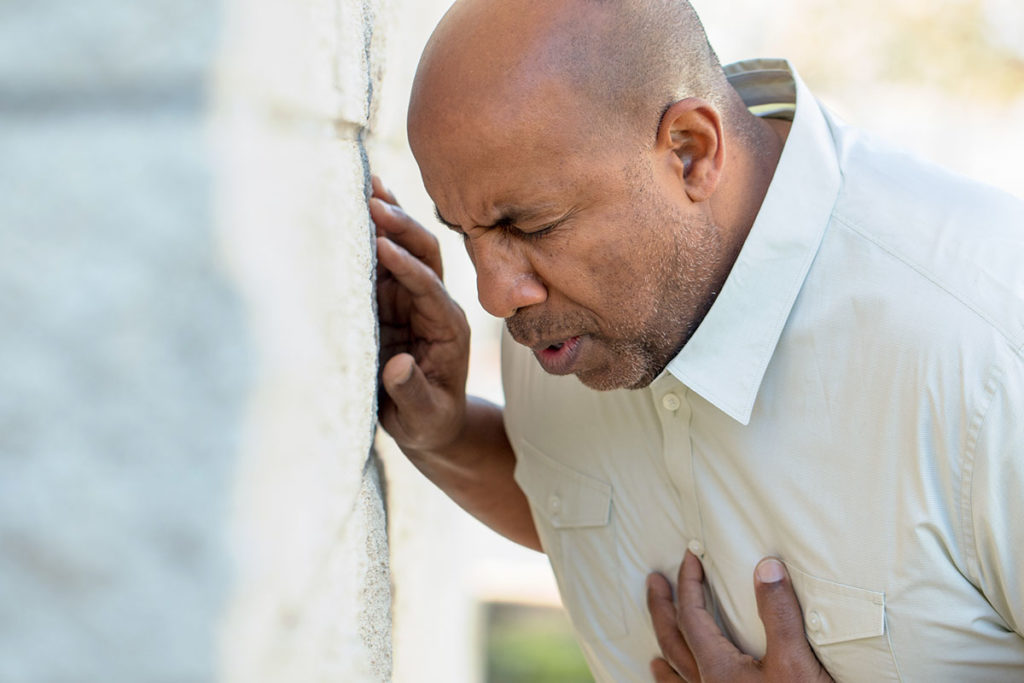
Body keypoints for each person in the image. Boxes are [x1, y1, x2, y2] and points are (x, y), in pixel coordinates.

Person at [372, 0, 1024, 680]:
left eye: (531, 227)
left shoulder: (989, 344)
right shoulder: (566, 320)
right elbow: (581, 497)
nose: (495, 294)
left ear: (690, 152)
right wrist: (444, 435)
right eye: (464, 234)